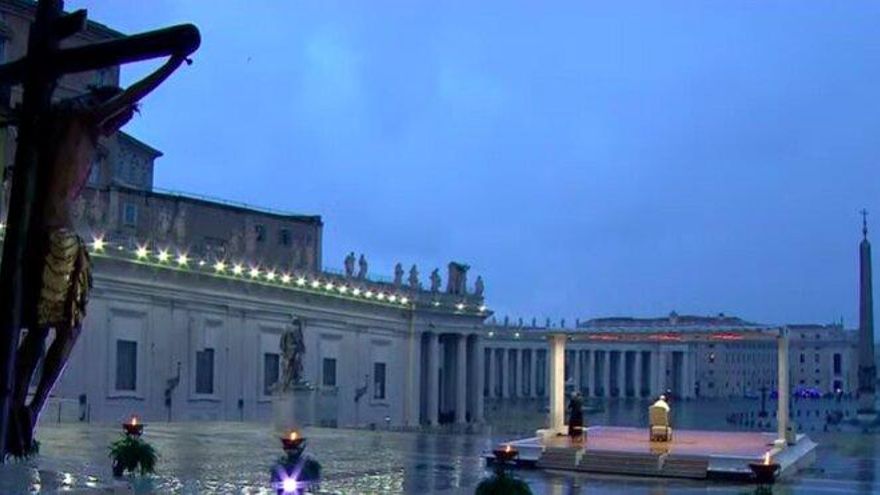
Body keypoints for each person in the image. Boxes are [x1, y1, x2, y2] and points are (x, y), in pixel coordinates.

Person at [11, 52, 190, 450]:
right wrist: (173, 63)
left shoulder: (53, 125)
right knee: (67, 328)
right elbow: (135, 93)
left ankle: (17, 408)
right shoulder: (83, 123)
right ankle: (32, 409)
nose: (115, 129)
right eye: (119, 120)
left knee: (38, 328)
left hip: (32, 233)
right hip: (58, 237)